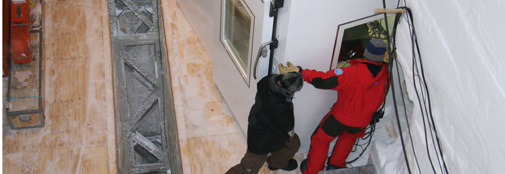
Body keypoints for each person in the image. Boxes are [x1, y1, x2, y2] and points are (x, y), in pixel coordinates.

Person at [278, 38, 390, 174]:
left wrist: (300, 71)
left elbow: (324, 80)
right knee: (348, 138)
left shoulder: (352, 72)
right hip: (362, 122)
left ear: (366, 53)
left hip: (340, 118)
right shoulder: (386, 75)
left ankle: (313, 170)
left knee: (320, 140)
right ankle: (335, 167)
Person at [226, 72, 304, 174]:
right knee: (249, 167)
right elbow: (289, 125)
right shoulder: (280, 106)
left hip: (263, 123)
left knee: (293, 143)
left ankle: (276, 163)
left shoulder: (268, 81)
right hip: (261, 139)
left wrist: (292, 77)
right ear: (290, 91)